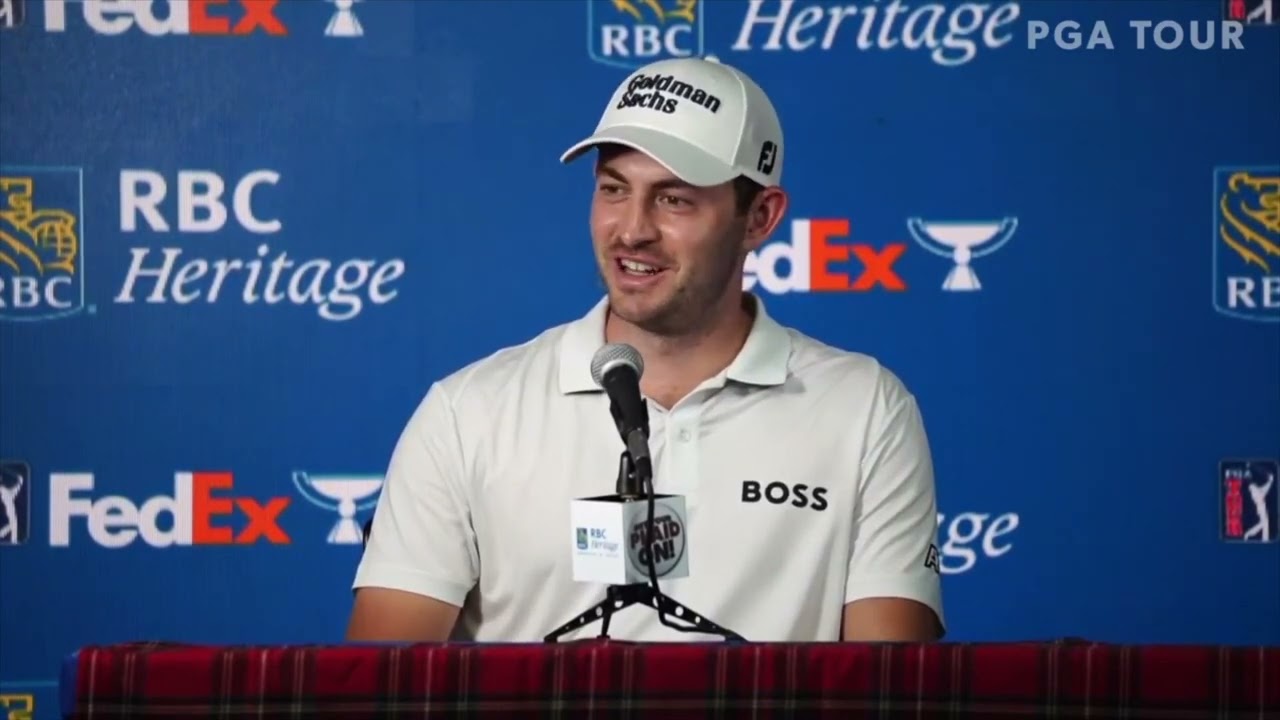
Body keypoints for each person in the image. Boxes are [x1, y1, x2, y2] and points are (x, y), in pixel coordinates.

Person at [346, 56, 944, 643]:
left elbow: (888, 688)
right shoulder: (467, 413)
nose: (632, 229)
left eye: (673, 199)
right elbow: (388, 685)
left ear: (760, 217)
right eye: (613, 189)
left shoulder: (865, 410)